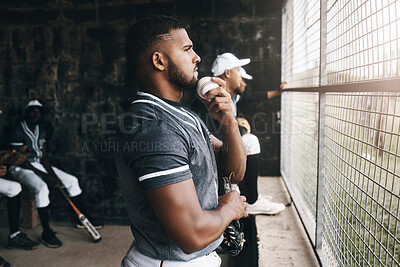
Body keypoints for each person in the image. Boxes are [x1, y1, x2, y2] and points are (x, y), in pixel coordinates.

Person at [116, 15, 248, 266]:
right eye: (187, 49)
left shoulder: (181, 113)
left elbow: (232, 172)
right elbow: (191, 234)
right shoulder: (155, 128)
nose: (197, 57)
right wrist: (229, 210)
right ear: (159, 60)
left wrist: (229, 122)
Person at [192, 52, 286, 215]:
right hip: (208, 152)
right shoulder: (213, 90)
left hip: (221, 149)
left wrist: (277, 92)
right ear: (227, 72)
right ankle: (251, 200)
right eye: (238, 70)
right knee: (250, 140)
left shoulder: (233, 97)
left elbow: (254, 97)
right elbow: (205, 86)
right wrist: (239, 127)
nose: (241, 76)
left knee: (247, 139)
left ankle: (249, 195)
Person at [7, 100, 102, 248]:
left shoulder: (41, 129)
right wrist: (46, 176)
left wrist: (54, 175)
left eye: (39, 111)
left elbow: (44, 158)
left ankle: (81, 219)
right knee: (42, 188)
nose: (36, 114)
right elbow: (19, 160)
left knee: (71, 181)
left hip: (38, 165)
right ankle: (47, 232)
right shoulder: (17, 130)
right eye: (32, 110)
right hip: (20, 168)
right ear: (26, 112)